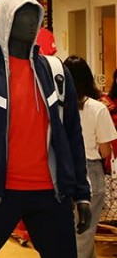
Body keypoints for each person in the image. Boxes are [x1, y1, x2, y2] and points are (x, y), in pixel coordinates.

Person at [0, 0, 91, 256]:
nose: (30, 22)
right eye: (22, 15)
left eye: (35, 15)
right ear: (5, 19)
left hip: (51, 193)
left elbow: (73, 135)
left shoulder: (56, 72)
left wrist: (82, 193)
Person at [64, 55, 117, 258]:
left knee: (68, 231)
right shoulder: (98, 109)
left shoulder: (56, 108)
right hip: (91, 171)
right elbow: (105, 151)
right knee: (85, 233)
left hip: (62, 170)